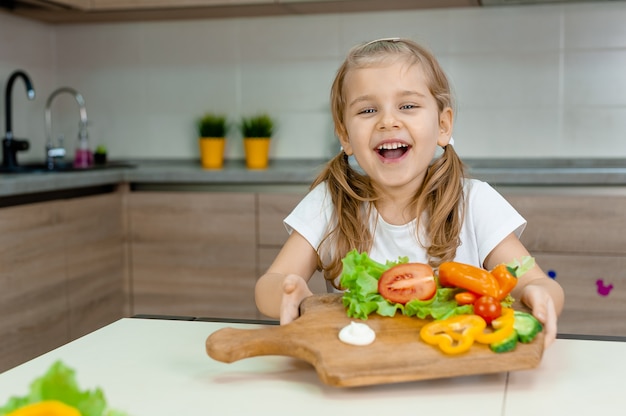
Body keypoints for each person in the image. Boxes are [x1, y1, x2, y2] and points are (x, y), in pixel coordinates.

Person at [254, 38, 564, 348]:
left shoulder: (474, 203)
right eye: (368, 110)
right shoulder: (329, 204)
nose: (388, 121)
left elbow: (538, 283)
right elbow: (269, 284)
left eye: (408, 106)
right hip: (362, 368)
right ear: (345, 136)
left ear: (443, 126)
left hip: (455, 366)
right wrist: (287, 290)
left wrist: (538, 293)